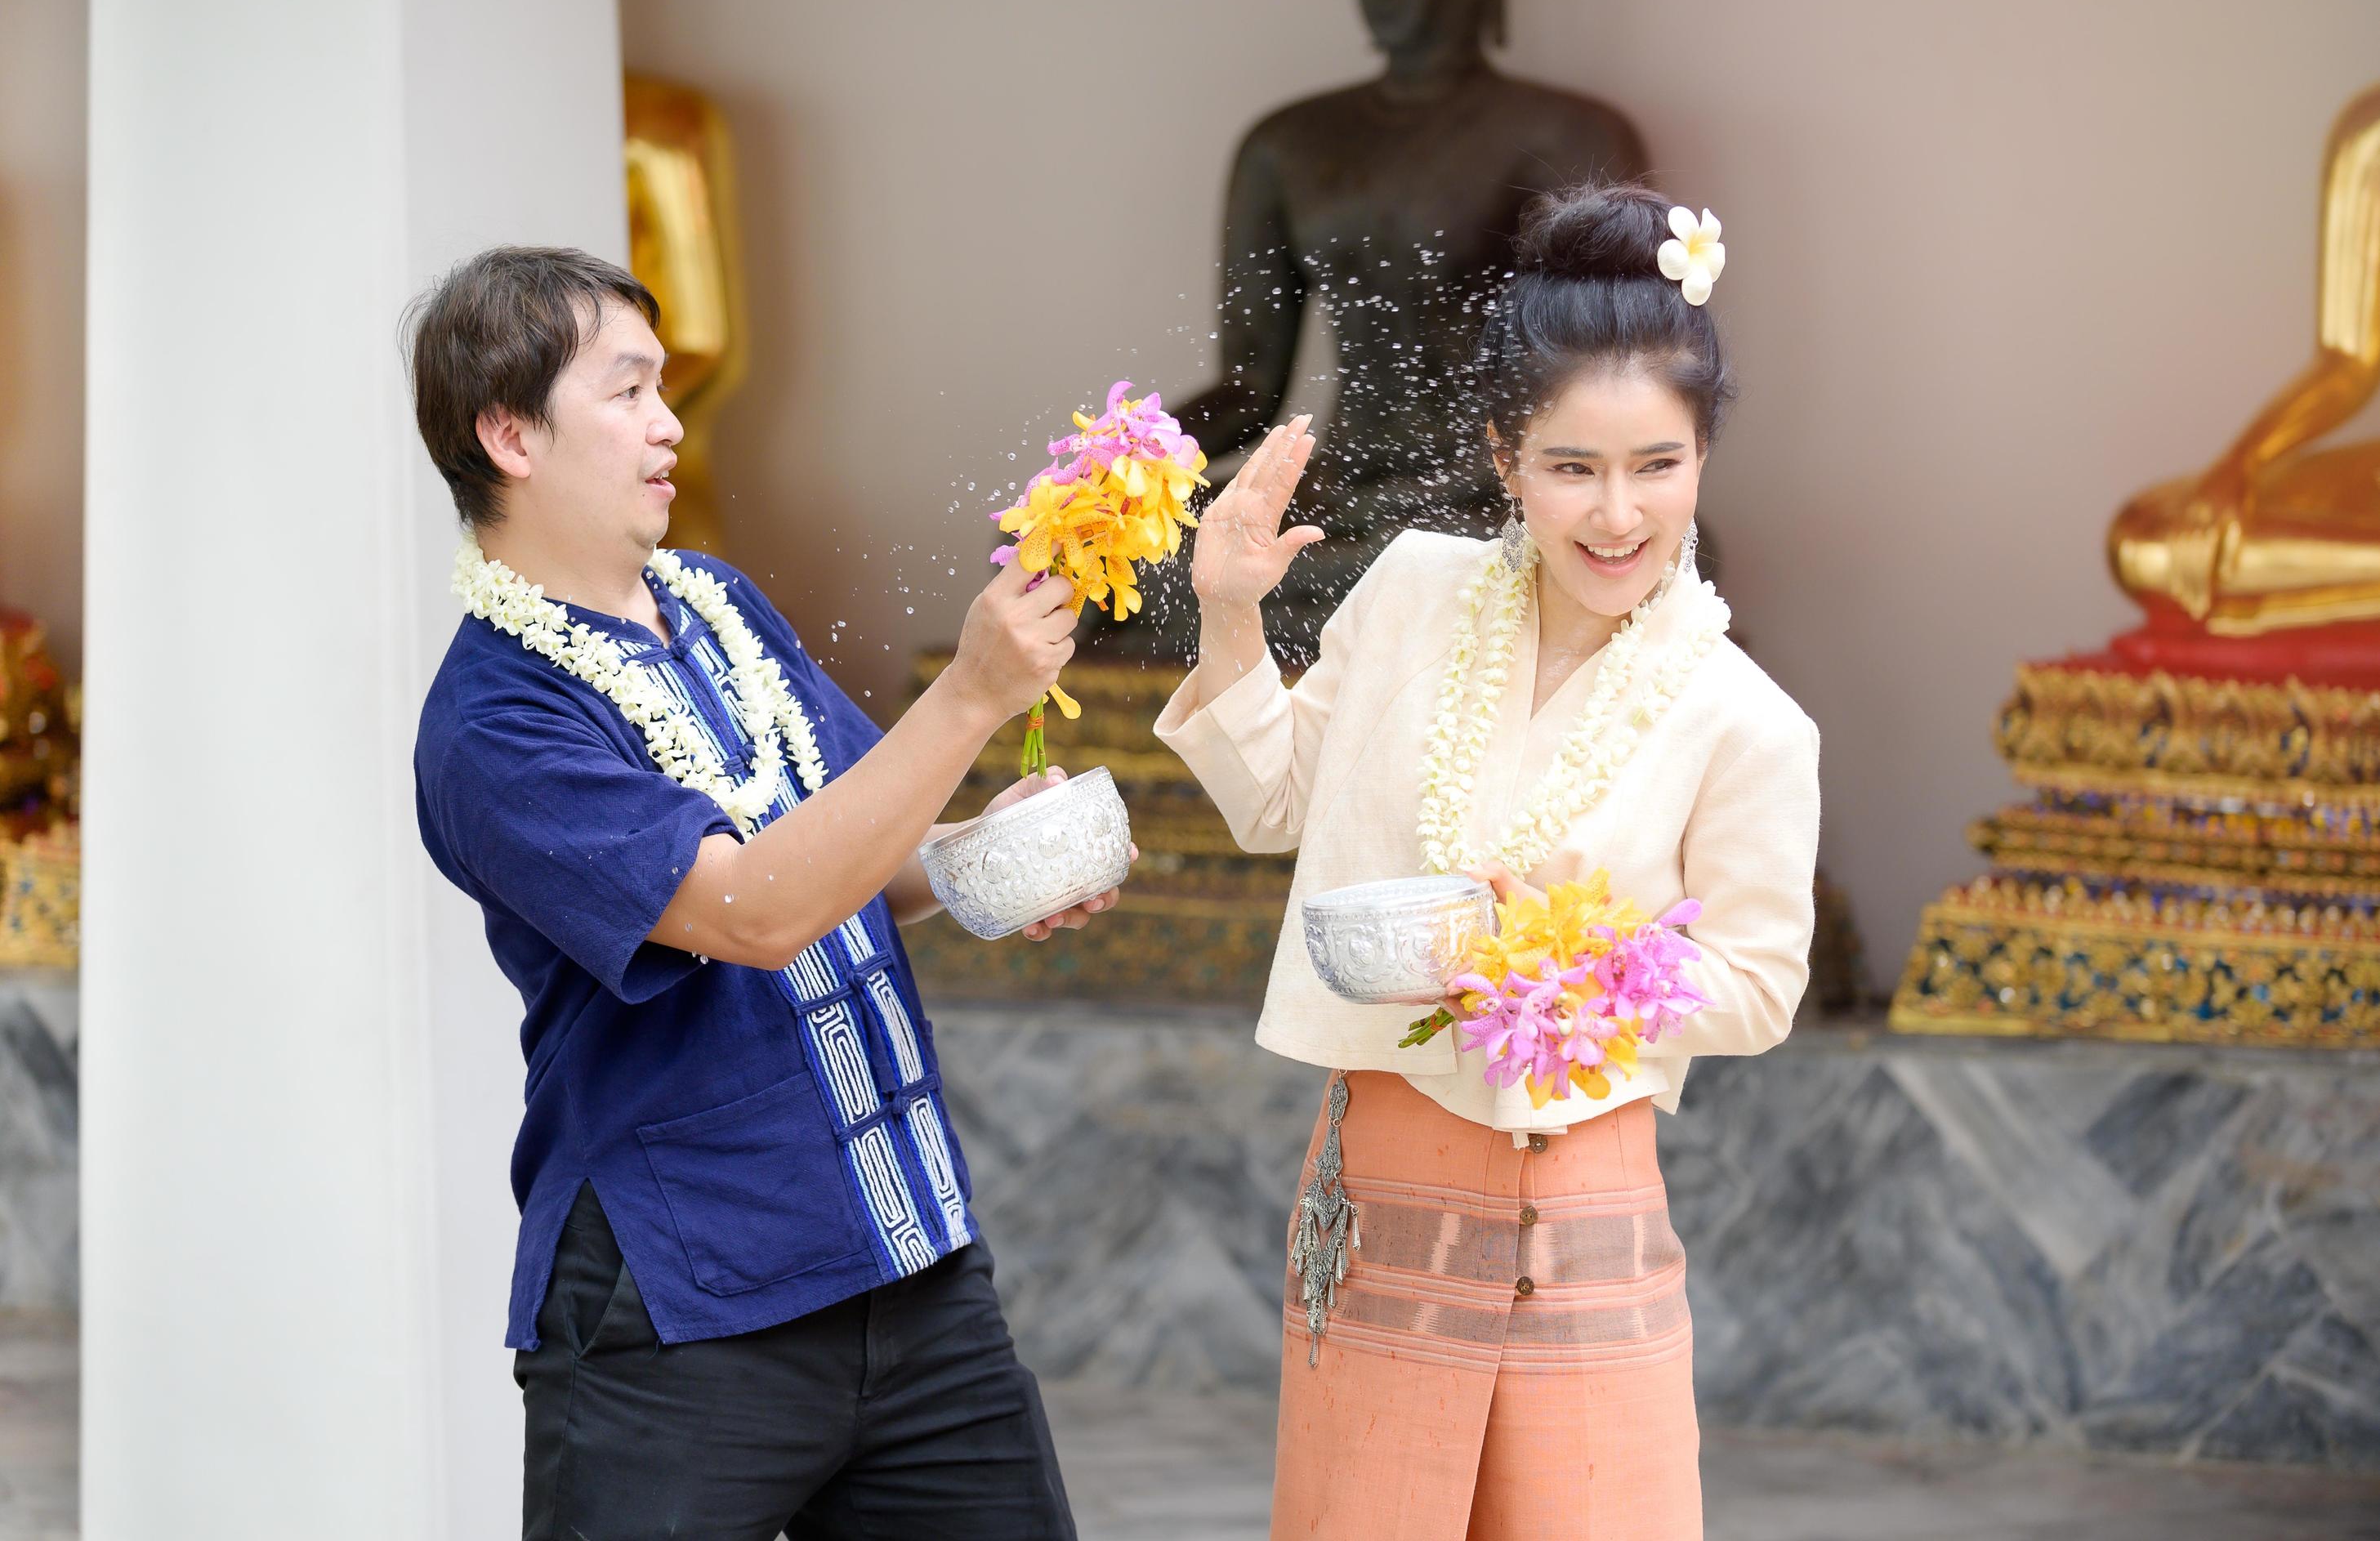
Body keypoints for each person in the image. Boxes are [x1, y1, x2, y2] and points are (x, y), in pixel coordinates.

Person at [407, 247, 1116, 1539]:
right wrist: (966, 696)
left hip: (911, 1257)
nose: (668, 423)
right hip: (683, 1306)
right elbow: (750, 914)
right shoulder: (493, 725)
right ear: (508, 434)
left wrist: (978, 858)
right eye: (626, 393)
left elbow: (854, 855)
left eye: (661, 389)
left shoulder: (717, 604)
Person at [1157, 183, 1820, 1539]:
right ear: (1502, 456)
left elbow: (1757, 986)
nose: (1616, 514)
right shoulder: (1409, 590)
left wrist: (1559, 964)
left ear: (1704, 457)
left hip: (1575, 1194)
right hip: (1376, 1181)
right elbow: (1276, 802)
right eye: (1571, 466)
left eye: (1657, 465)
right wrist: (1229, 613)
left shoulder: (1746, 720)